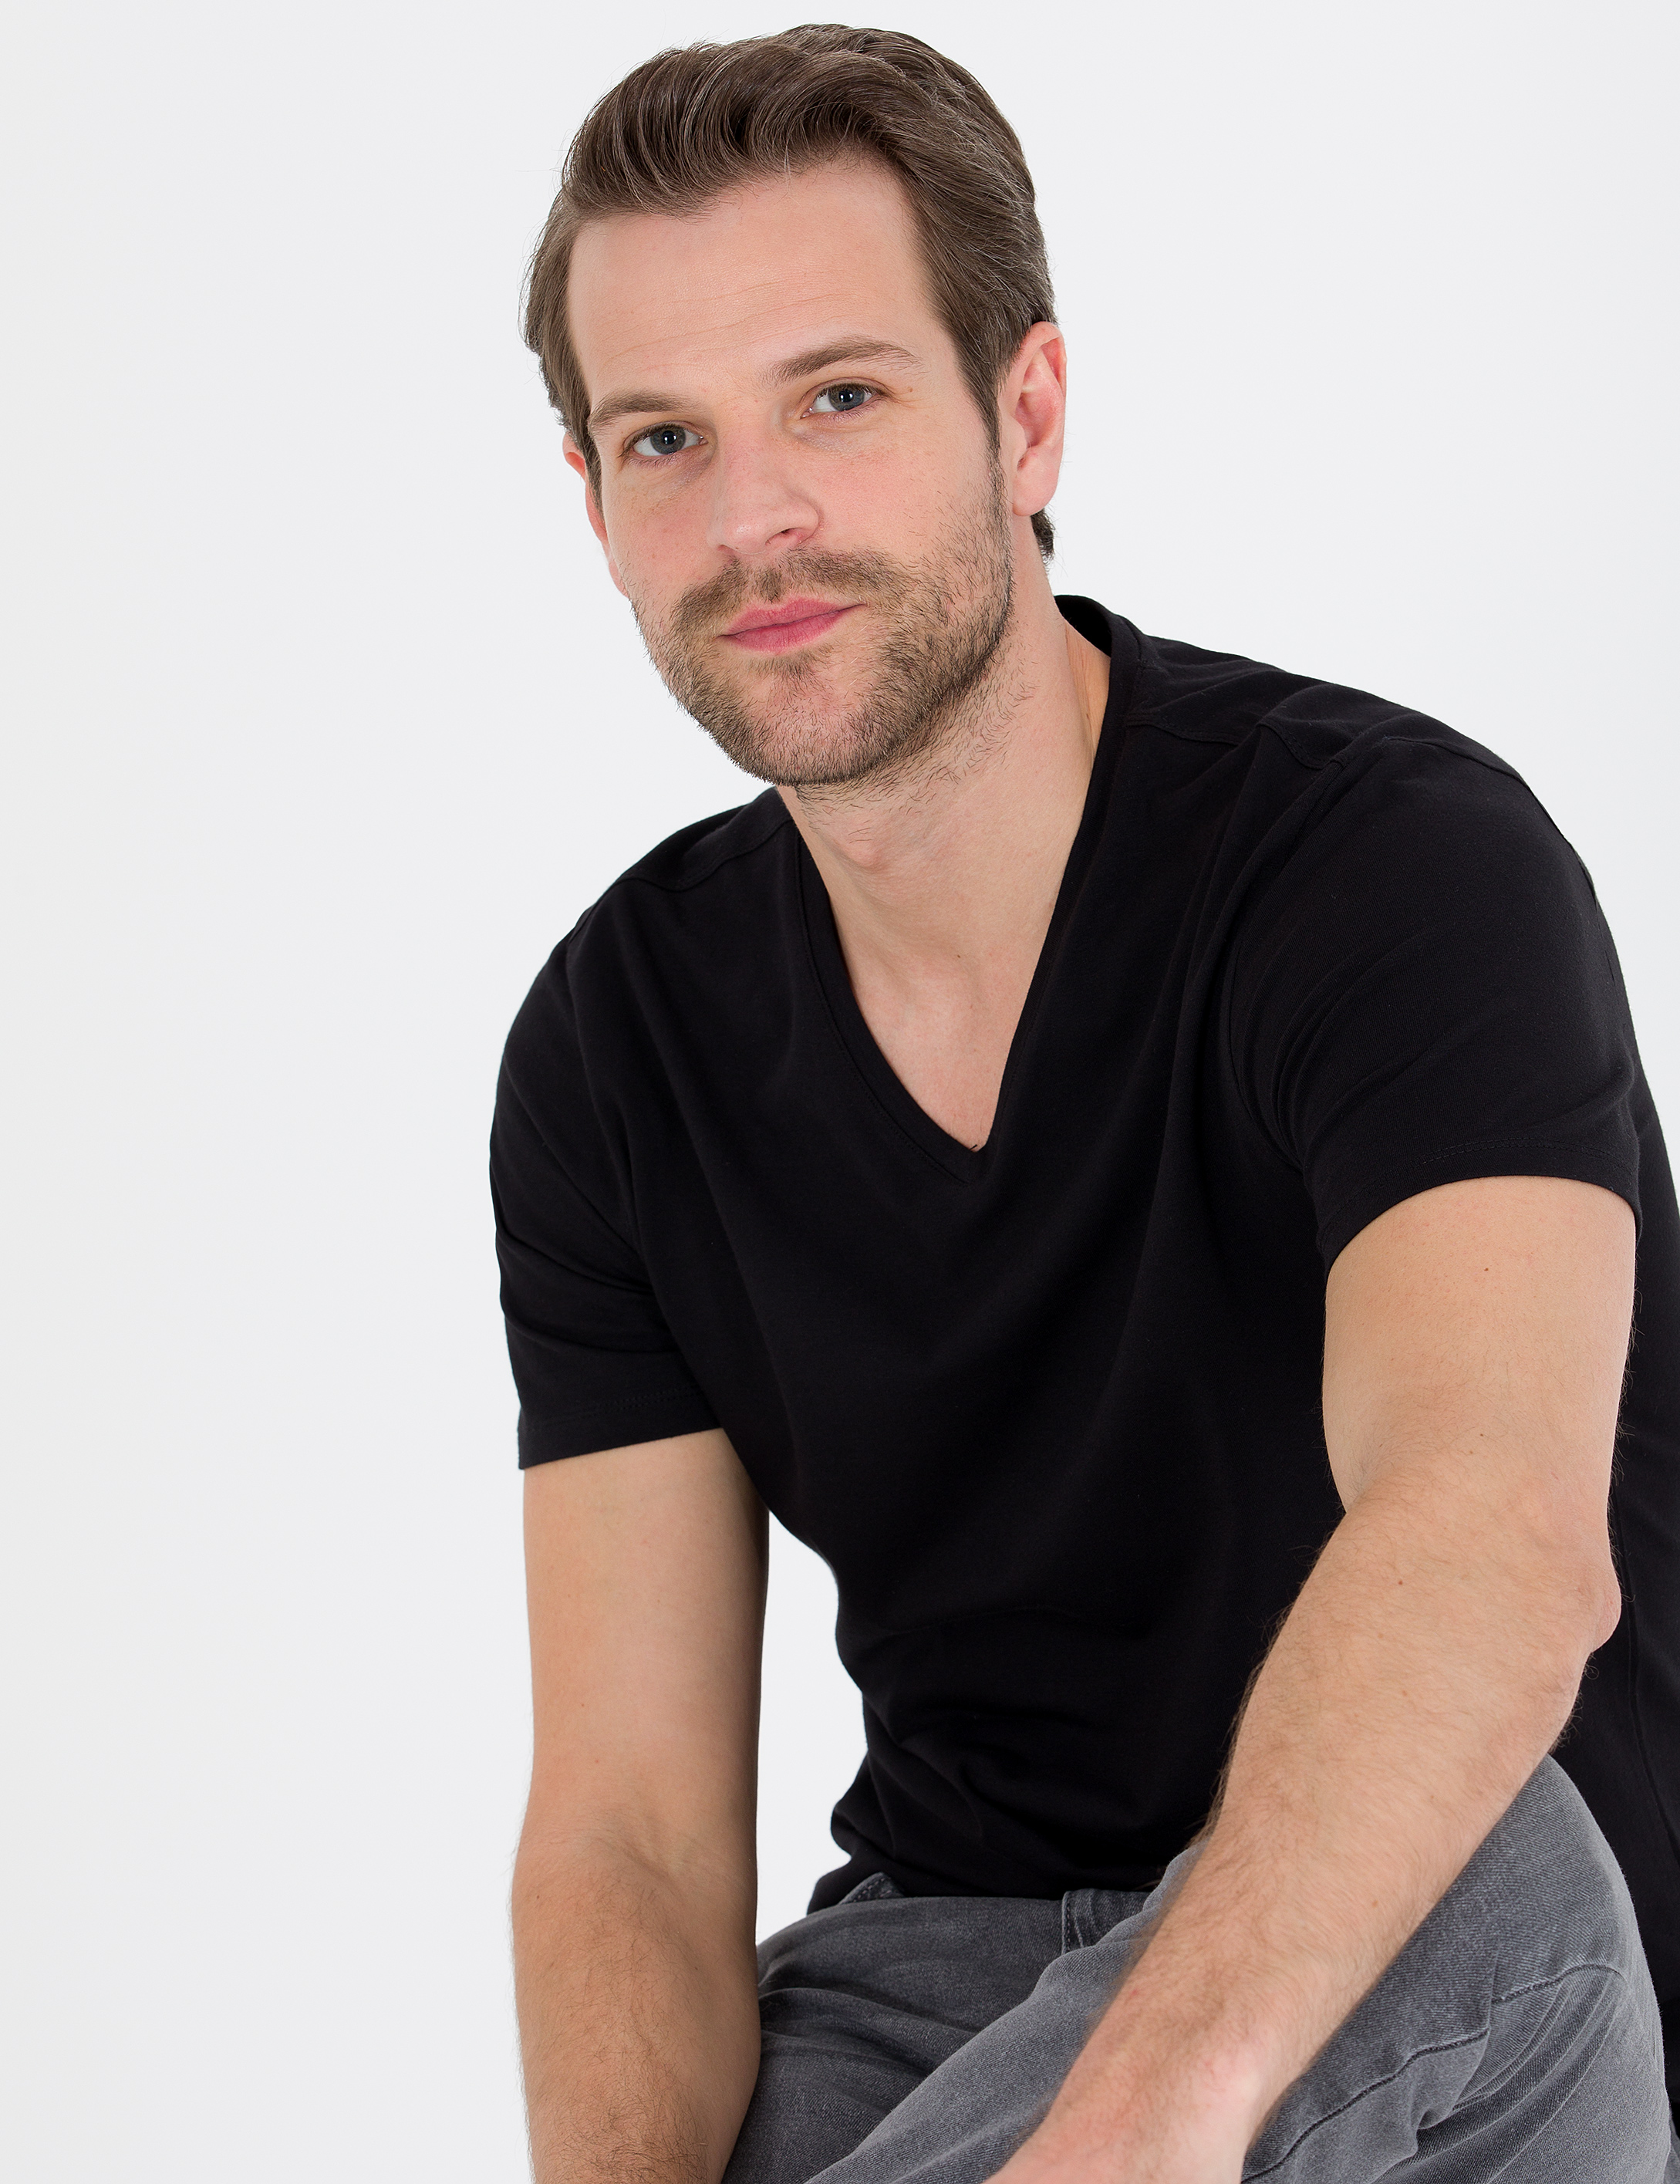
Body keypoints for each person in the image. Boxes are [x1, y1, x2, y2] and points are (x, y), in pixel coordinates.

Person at [489, 25, 1680, 2183]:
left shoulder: (1393, 870)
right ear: (593, 506)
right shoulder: (614, 1045)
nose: (753, 519)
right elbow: (633, 1832)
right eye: (665, 439)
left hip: (1468, 1980)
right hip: (948, 1975)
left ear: (1023, 412)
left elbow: (1492, 1544)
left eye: (838, 399)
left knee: (1488, 1853)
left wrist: (1120, 2142)